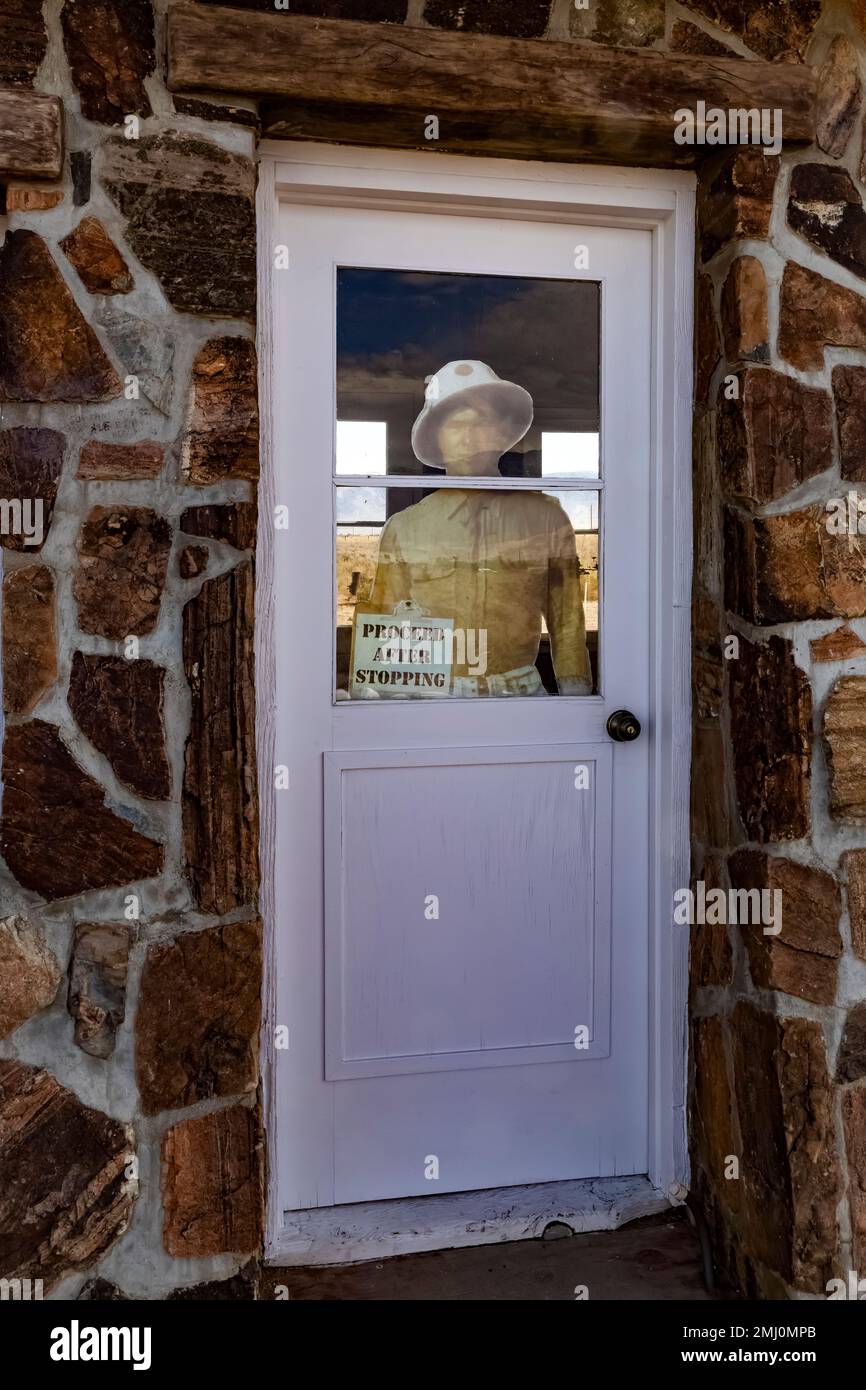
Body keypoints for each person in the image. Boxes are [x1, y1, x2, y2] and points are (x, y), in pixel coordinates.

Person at [359, 360, 593, 698]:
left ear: (501, 434)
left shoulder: (545, 518)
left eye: (481, 423)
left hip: (521, 695)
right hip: (432, 697)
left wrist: (577, 701)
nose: (468, 437)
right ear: (437, 439)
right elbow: (388, 622)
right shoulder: (406, 527)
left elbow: (567, 619)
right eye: (454, 426)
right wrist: (385, 701)